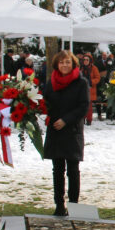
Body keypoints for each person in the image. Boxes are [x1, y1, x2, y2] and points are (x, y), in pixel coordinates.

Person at [43, 50, 90, 216]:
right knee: (57, 170)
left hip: (71, 130)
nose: (65, 65)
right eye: (62, 62)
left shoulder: (81, 82)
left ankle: (74, 205)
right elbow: (46, 102)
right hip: (55, 130)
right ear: (57, 64)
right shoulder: (51, 82)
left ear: (73, 64)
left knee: (72, 170)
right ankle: (59, 205)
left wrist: (66, 120)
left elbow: (83, 106)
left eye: (68, 62)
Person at [77, 52, 101, 125]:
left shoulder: (94, 68)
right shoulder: (80, 68)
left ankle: (89, 120)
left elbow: (97, 78)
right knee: (81, 105)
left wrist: (90, 82)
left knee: (89, 107)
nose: (85, 61)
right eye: (84, 60)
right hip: (81, 89)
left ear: (90, 60)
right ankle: (82, 119)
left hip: (90, 89)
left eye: (87, 60)